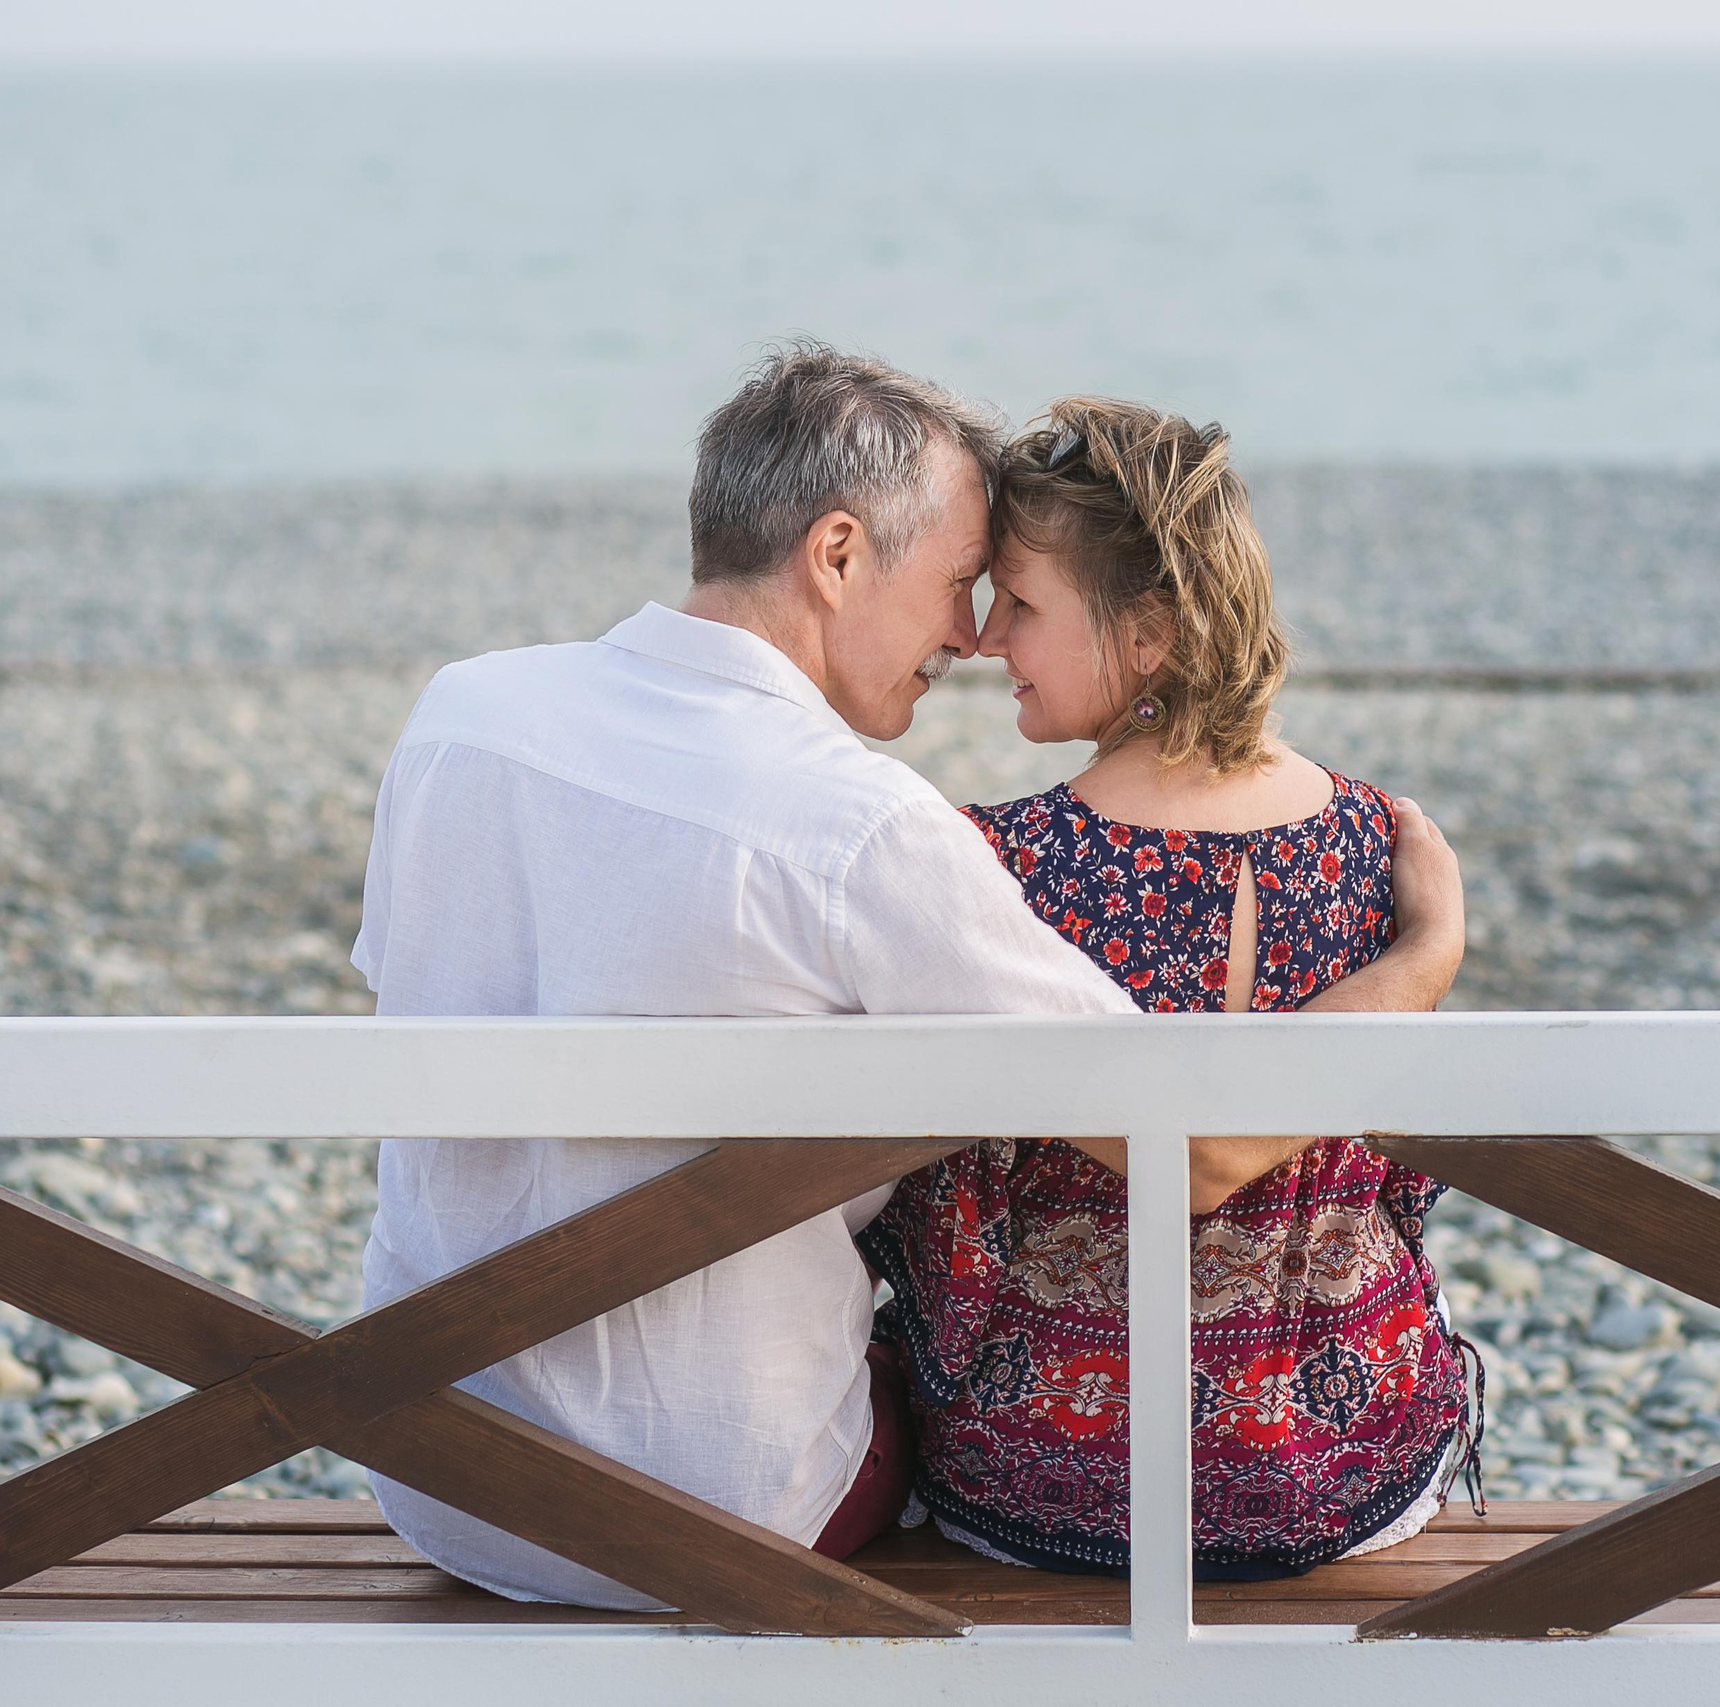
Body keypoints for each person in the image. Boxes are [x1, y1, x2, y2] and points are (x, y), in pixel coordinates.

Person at [349, 345, 1141, 1609]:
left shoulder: (460, 719)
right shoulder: (858, 823)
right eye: (953, 584)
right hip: (732, 1511)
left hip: (441, 1476)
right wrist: (1420, 950)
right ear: (835, 556)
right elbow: (1163, 1110)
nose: (971, 637)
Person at [859, 397, 1478, 1580]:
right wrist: (1424, 959)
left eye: (1022, 603)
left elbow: (934, 1200)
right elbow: (1393, 1169)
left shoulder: (1004, 867)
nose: (987, 640)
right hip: (1342, 1461)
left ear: (1146, 635)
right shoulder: (1376, 845)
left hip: (1050, 1473)